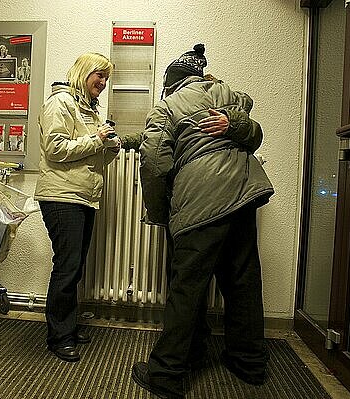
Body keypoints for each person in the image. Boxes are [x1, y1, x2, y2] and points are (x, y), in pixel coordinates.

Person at [130, 44, 274, 399]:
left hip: (202, 201)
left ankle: (165, 374)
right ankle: (248, 362)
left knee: (186, 287)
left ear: (171, 83)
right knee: (241, 282)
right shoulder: (229, 96)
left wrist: (161, 214)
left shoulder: (166, 107)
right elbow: (254, 134)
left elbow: (153, 162)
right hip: (243, 195)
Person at [34, 52, 120, 363]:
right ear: (84, 72)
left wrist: (110, 148)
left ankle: (66, 327)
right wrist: (98, 140)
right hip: (61, 197)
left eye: (106, 78)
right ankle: (59, 337)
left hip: (82, 196)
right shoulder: (61, 102)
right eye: (100, 75)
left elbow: (91, 156)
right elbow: (55, 149)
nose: (104, 82)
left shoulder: (91, 109)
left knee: (75, 267)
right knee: (68, 268)